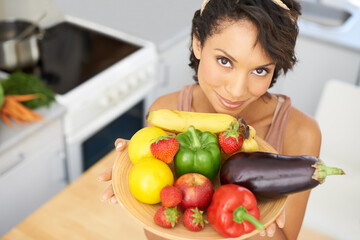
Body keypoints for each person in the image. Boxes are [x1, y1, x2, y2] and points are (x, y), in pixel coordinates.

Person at [98, 0, 321, 239]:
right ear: (198, 43)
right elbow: (157, 233)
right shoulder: (165, 111)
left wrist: (257, 222)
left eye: (260, 70)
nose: (236, 91)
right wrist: (137, 188)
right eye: (225, 61)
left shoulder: (300, 133)